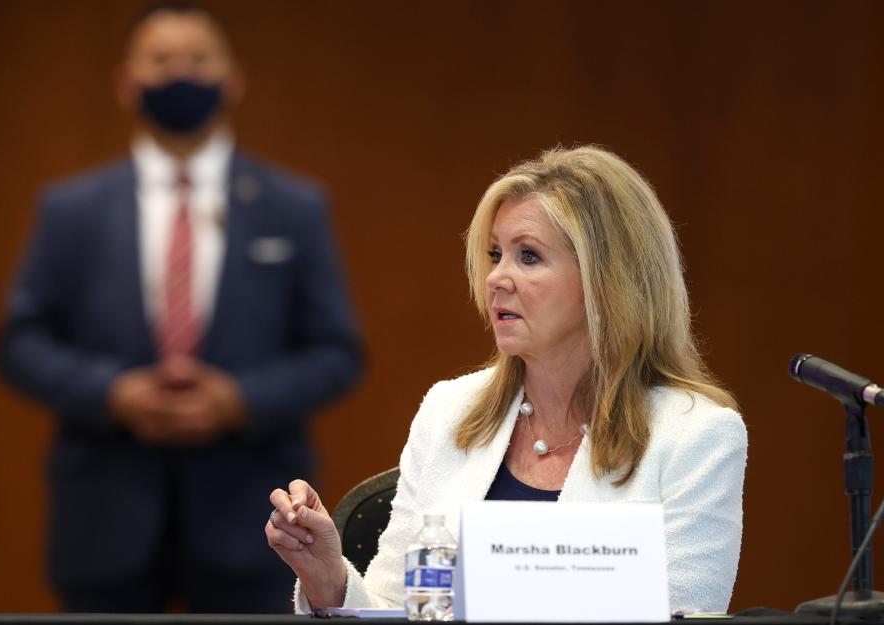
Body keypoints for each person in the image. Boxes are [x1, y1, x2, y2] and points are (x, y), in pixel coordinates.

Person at [265, 146, 747, 614]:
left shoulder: (696, 436)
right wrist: (328, 577)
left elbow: (685, 614)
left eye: (529, 256)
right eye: (496, 253)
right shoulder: (448, 411)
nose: (497, 277)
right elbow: (403, 609)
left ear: (607, 281)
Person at [0, 2, 362, 613]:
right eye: (161, 61)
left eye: (197, 60)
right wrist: (115, 391)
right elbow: (21, 340)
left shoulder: (293, 207)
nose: (180, 74)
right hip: (103, 513)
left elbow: (336, 351)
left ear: (232, 79)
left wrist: (236, 398)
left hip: (254, 516)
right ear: (125, 83)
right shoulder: (71, 210)